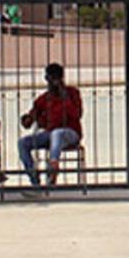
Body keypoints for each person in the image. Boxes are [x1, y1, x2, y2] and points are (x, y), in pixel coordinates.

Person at [18, 63, 83, 193]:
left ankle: (52, 169)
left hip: (70, 133)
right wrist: (27, 119)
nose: (52, 83)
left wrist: (65, 98)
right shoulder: (44, 99)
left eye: (55, 79)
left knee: (56, 133)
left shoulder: (72, 93)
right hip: (49, 135)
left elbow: (77, 114)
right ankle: (34, 179)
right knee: (23, 143)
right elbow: (30, 120)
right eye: (50, 79)